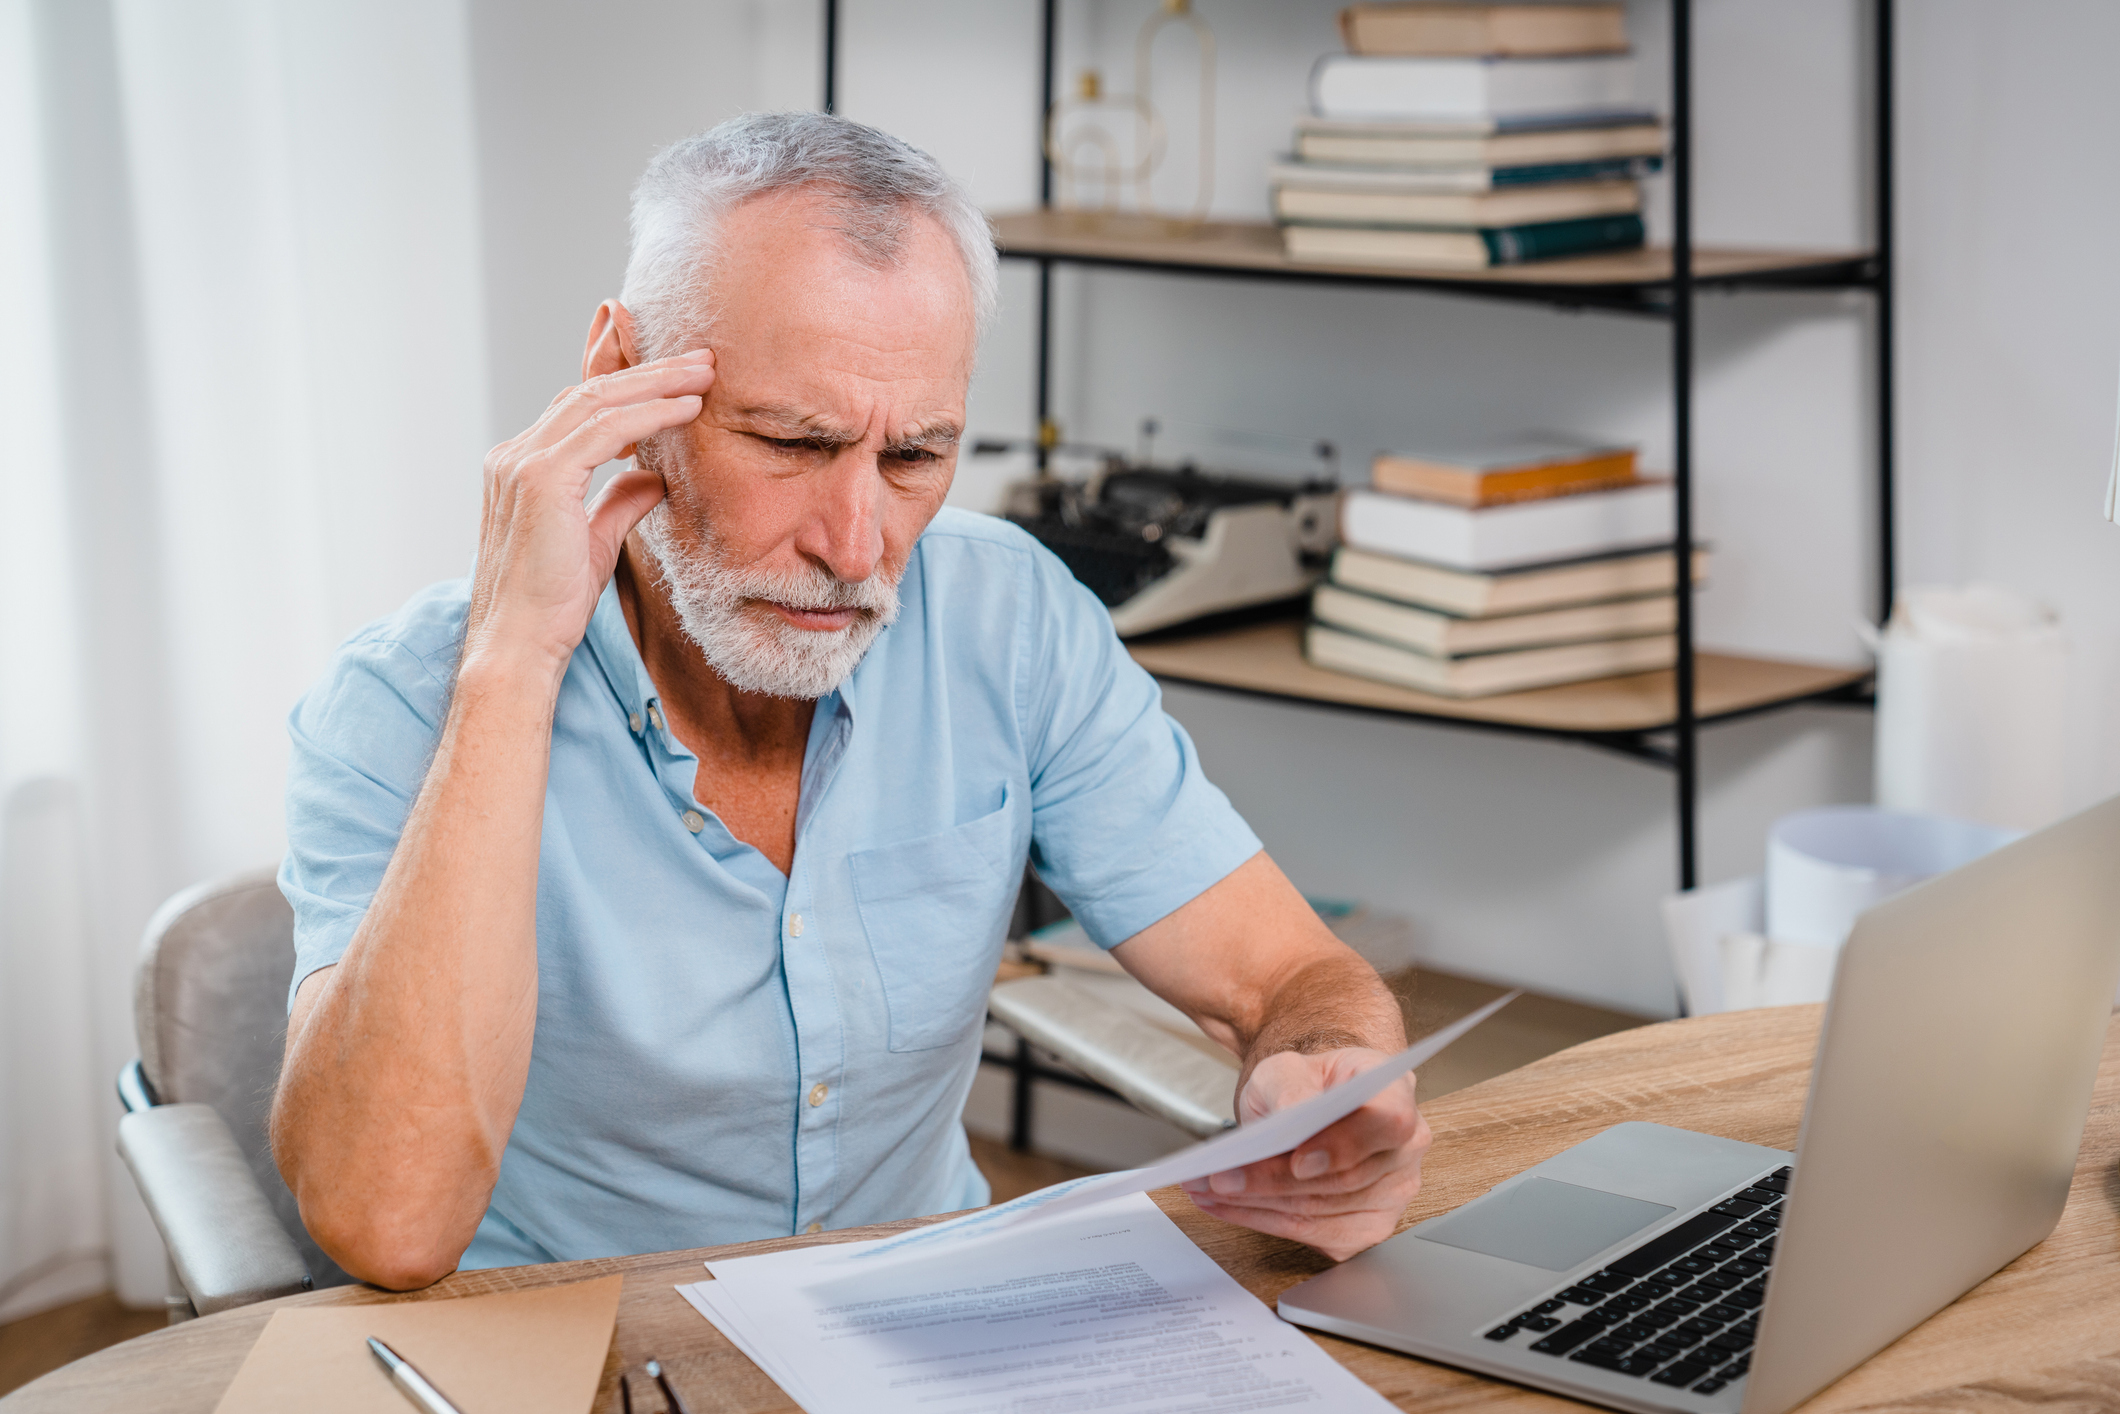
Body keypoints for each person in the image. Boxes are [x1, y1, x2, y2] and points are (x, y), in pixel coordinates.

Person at [270, 112, 1429, 1291]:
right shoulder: (401, 702)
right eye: (790, 440)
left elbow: (1291, 978)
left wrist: (1326, 1079)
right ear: (621, 381)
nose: (856, 543)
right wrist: (514, 661)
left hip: (919, 1321)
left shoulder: (1008, 617)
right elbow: (387, 1225)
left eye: (916, 457)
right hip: (578, 1345)